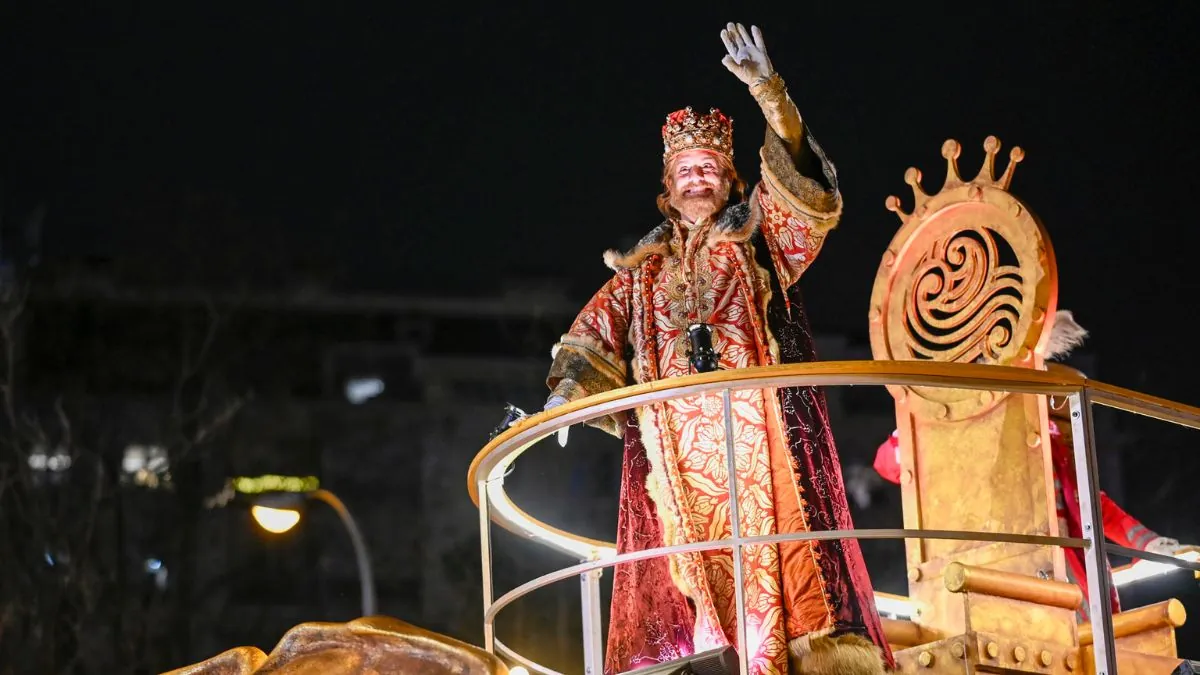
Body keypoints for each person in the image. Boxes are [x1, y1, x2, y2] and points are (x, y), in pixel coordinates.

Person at [544, 22, 889, 675]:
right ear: (668, 188)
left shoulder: (757, 239)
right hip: (679, 474)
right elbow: (593, 331)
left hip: (763, 455)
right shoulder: (641, 271)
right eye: (685, 171)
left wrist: (771, 93)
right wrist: (565, 393)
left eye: (708, 169)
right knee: (693, 603)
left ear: (728, 181)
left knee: (781, 585)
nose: (697, 179)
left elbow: (805, 191)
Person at [872, 311, 1189, 620]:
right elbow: (888, 462)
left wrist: (1147, 542)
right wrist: (930, 427)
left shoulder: (1046, 438)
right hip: (988, 578)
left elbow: (1091, 504)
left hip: (1065, 574)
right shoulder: (954, 436)